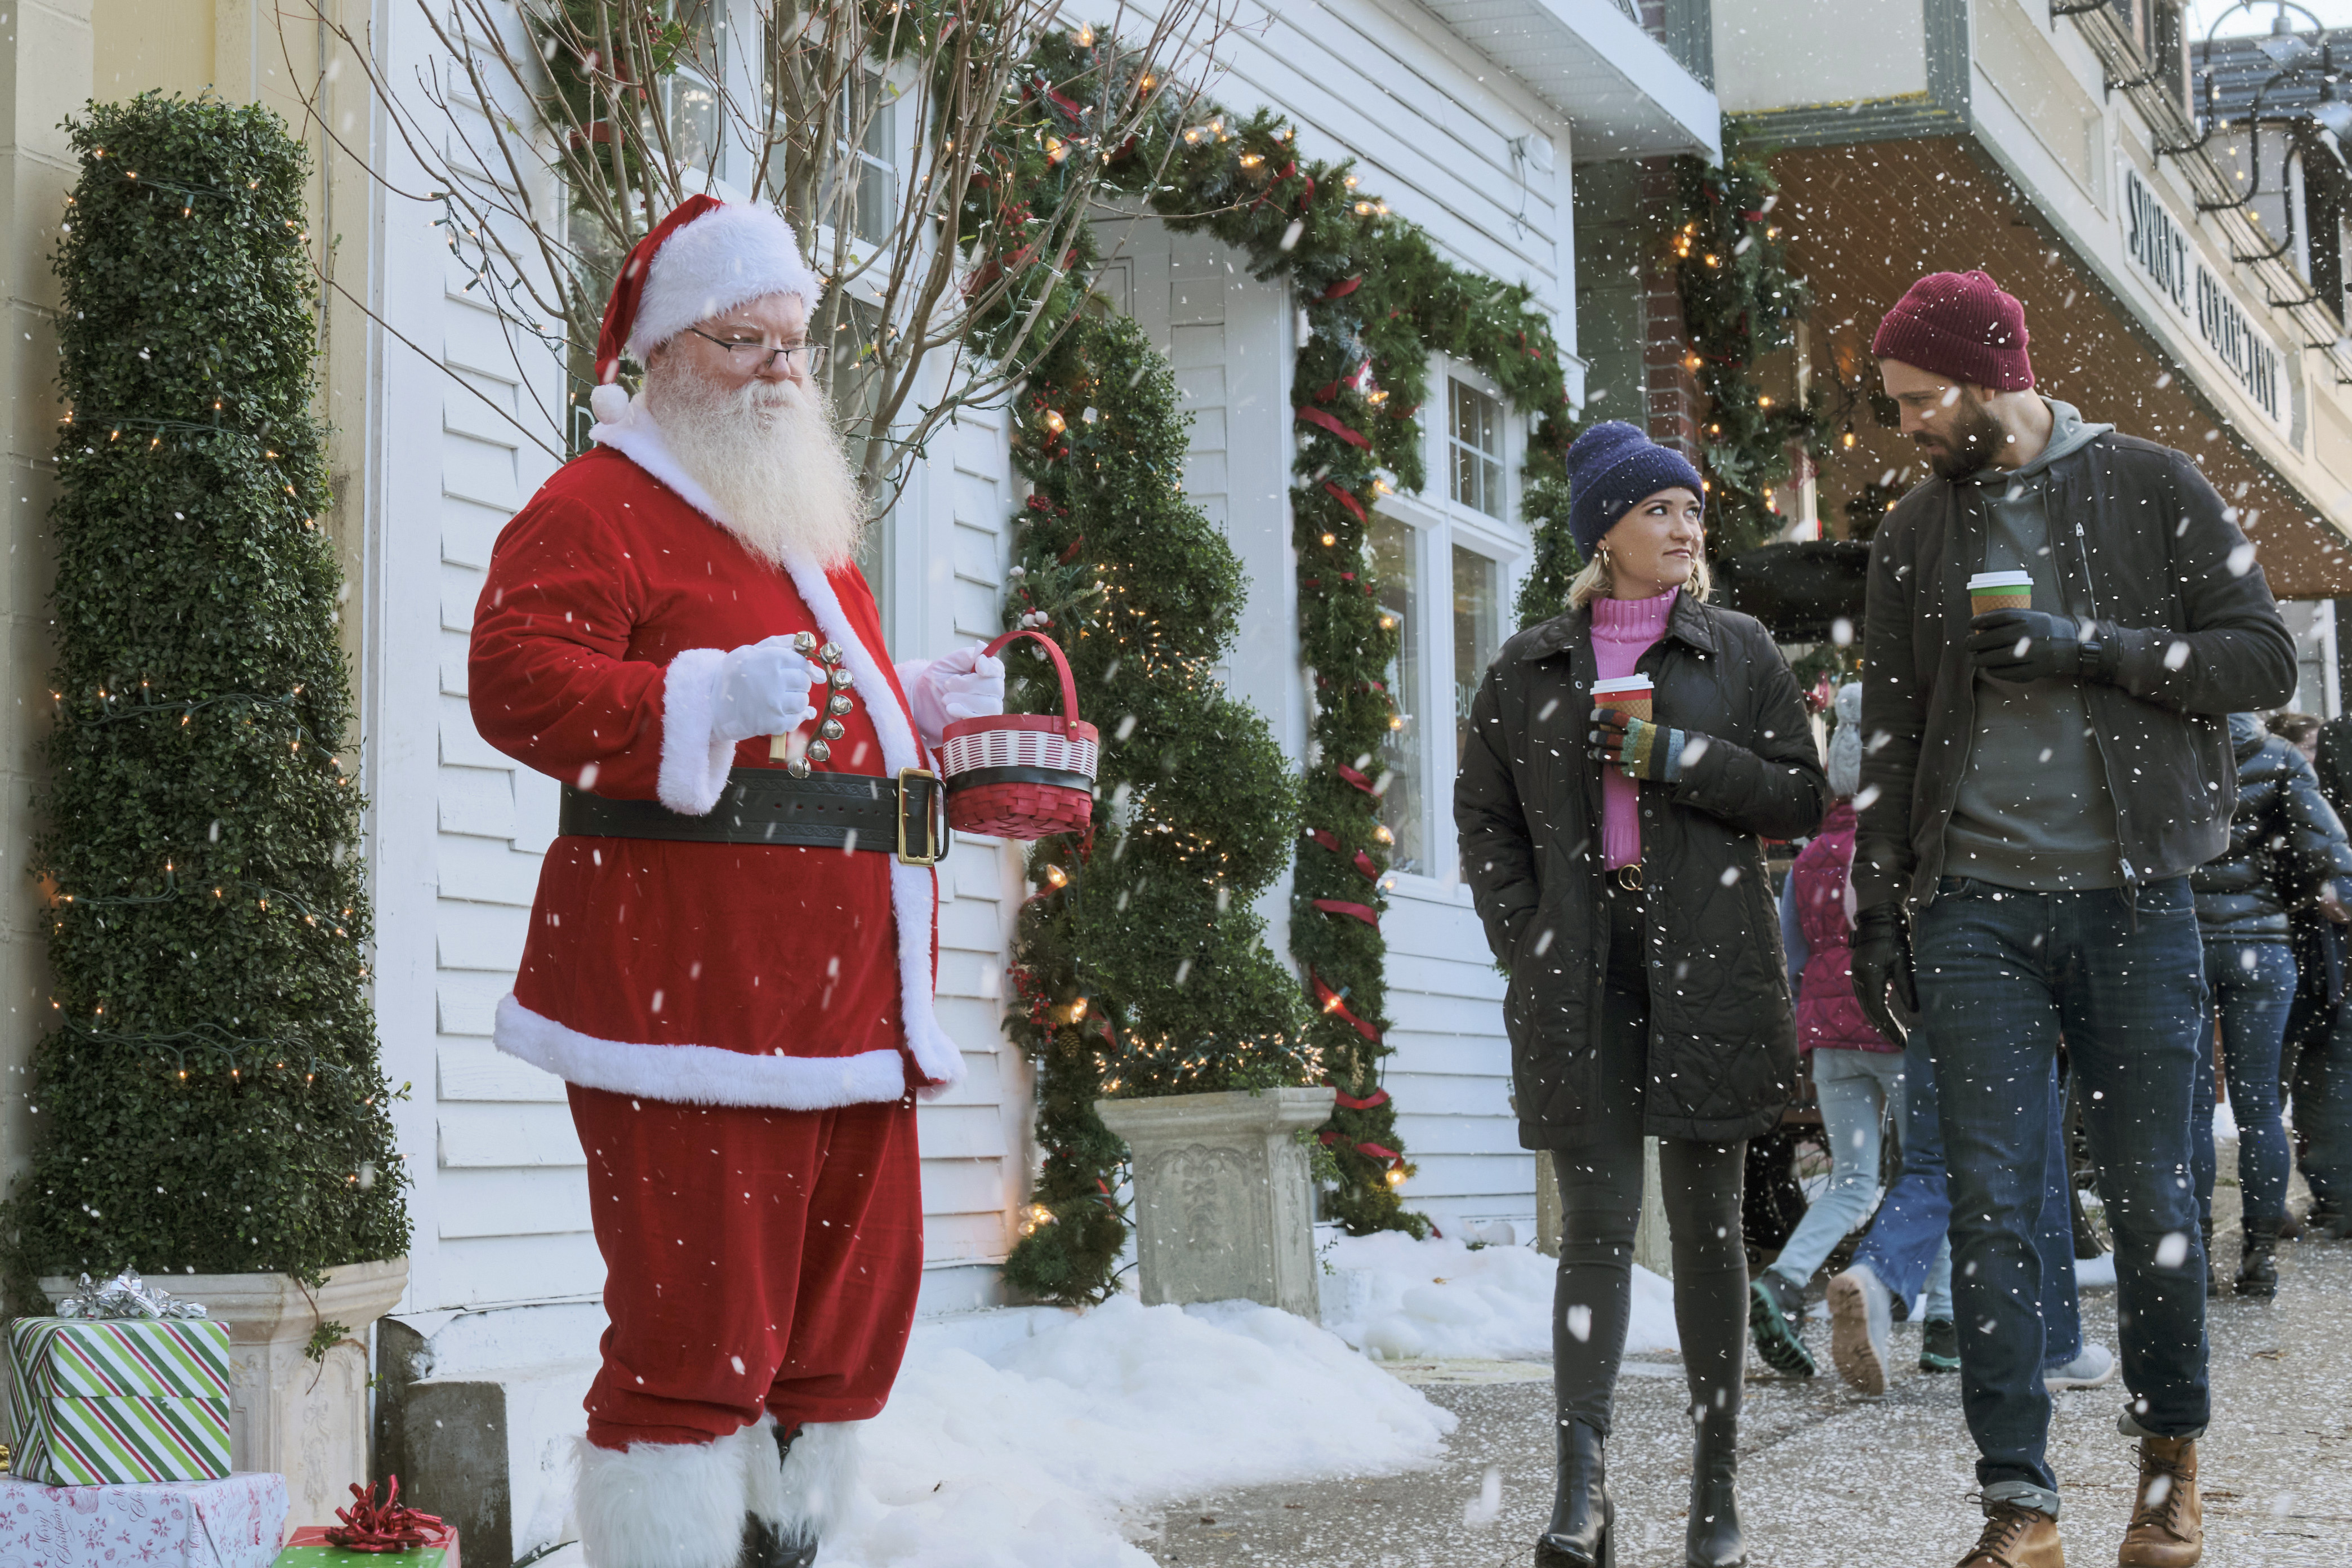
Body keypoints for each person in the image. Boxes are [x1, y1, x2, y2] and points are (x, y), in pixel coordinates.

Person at [467, 197, 1003, 1568]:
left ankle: (785, 1548)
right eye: (741, 338)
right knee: (695, 1332)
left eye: (792, 342)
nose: (778, 367)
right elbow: (515, 680)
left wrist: (920, 706)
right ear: (659, 351)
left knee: (837, 1334)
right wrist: (694, 697)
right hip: (687, 1003)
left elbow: (826, 720)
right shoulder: (594, 504)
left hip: (842, 1014)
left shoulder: (795, 518)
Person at [1848, 270, 2297, 1568]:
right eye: (1895, 406)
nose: (1909, 428)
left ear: (1995, 379)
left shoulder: (2150, 483)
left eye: (1924, 401)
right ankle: (2018, 1499)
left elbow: (2256, 657)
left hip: (2135, 896)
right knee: (1990, 1202)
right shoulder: (1911, 535)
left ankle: (2168, 1466)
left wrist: (2087, 646)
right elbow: (1888, 733)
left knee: (2154, 1188)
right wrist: (1879, 912)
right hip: (1974, 905)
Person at [1458, 420, 1828, 1568]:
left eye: (1693, 512)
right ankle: (1583, 1490)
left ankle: (1715, 1498)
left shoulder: (1740, 653)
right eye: (1660, 509)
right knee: (1598, 1232)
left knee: (1711, 1231)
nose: (1684, 528)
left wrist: (1679, 760)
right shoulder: (1526, 667)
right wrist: (1528, 938)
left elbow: (1801, 801)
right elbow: (1486, 823)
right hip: (1584, 969)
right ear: (1605, 530)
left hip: (1710, 957)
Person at [1748, 682, 1930, 1379]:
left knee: (1853, 1181)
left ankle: (1786, 1281)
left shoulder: (1810, 856)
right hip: (1898, 1033)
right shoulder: (1902, 845)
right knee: (1925, 1173)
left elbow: (1793, 953)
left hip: (1830, 1037)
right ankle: (1941, 1324)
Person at [2189, 712, 2352, 1297]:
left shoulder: (2160, 747)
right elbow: (2330, 862)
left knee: (2190, 1110)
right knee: (2259, 1109)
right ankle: (2259, 1257)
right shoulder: (2280, 756)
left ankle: (2197, 1255)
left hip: (2177, 944)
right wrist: (2313, 893)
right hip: (2261, 945)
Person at [2286, 714, 2352, 1239]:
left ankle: (2338, 1199)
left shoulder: (2335, 737)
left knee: (2333, 1059)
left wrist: (2325, 885)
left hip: (2332, 933)